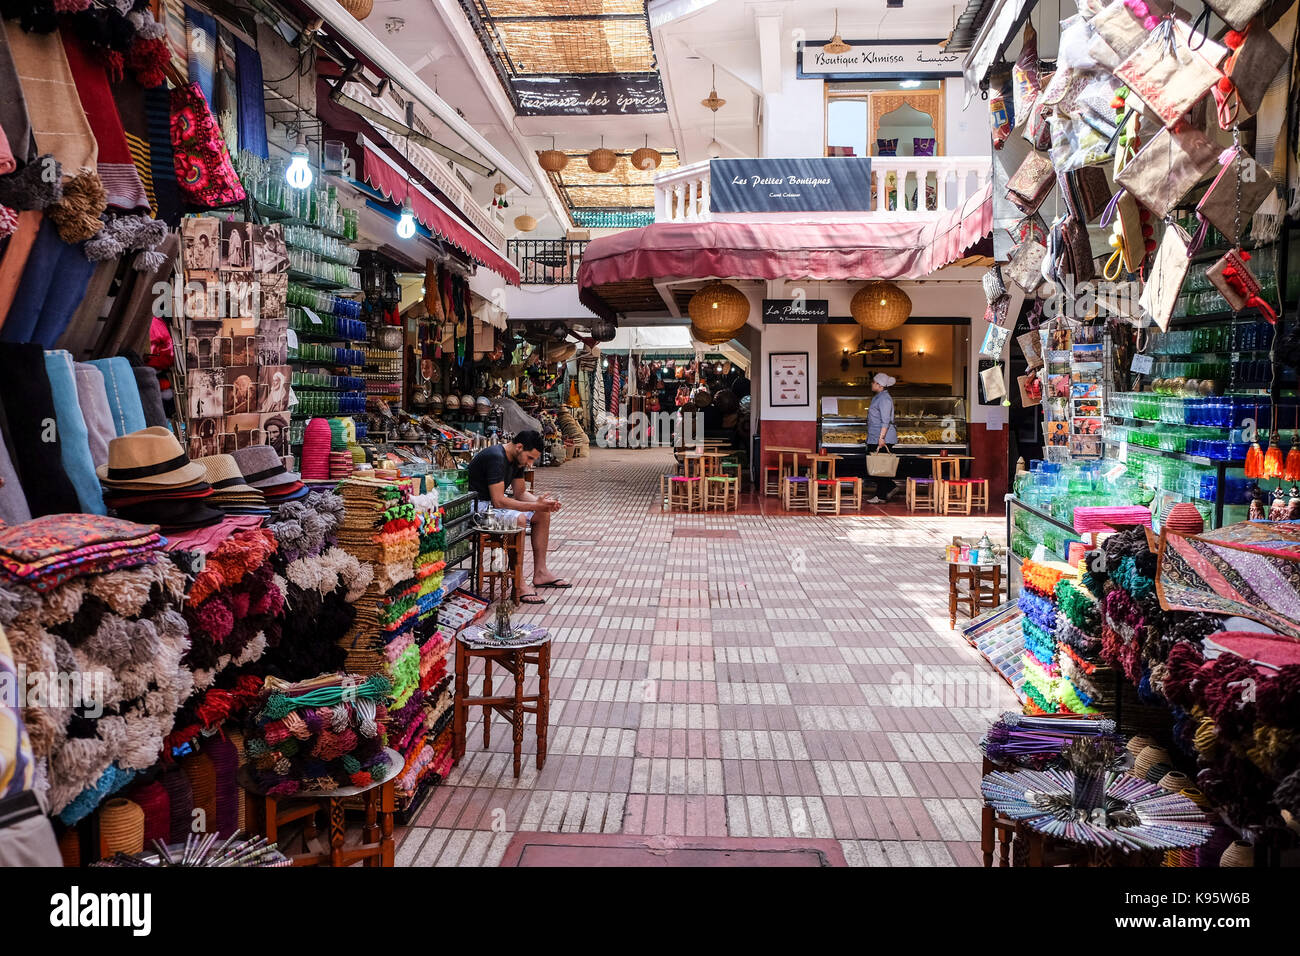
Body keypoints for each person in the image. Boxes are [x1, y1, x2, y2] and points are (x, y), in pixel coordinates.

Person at [466, 429, 568, 604]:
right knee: (518, 519)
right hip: (476, 508)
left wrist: (543, 504)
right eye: (530, 458)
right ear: (519, 447)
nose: (530, 464)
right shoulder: (496, 457)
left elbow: (520, 493)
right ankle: (518, 583)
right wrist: (536, 504)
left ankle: (541, 573)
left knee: (542, 514)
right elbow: (499, 501)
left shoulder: (517, 459)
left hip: (491, 506)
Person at [866, 372, 899, 503]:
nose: (872, 384)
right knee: (877, 466)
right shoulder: (878, 397)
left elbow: (885, 421)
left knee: (880, 467)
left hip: (882, 437)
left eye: (874, 382)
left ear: (879, 385)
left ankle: (882, 495)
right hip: (874, 435)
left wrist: (882, 438)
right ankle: (886, 491)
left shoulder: (885, 399)